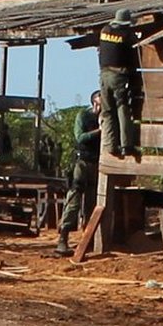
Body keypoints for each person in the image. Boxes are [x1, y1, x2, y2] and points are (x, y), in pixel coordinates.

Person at [60, 95, 102, 256]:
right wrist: (99, 131)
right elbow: (80, 137)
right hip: (81, 162)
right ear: (94, 102)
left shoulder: (105, 118)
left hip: (96, 163)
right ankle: (63, 238)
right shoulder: (83, 116)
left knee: (92, 203)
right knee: (74, 201)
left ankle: (87, 240)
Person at [94, 13, 140, 160]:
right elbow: (134, 56)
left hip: (104, 75)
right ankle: (126, 145)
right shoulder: (126, 35)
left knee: (107, 111)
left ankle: (110, 145)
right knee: (122, 108)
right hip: (119, 76)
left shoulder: (105, 31)